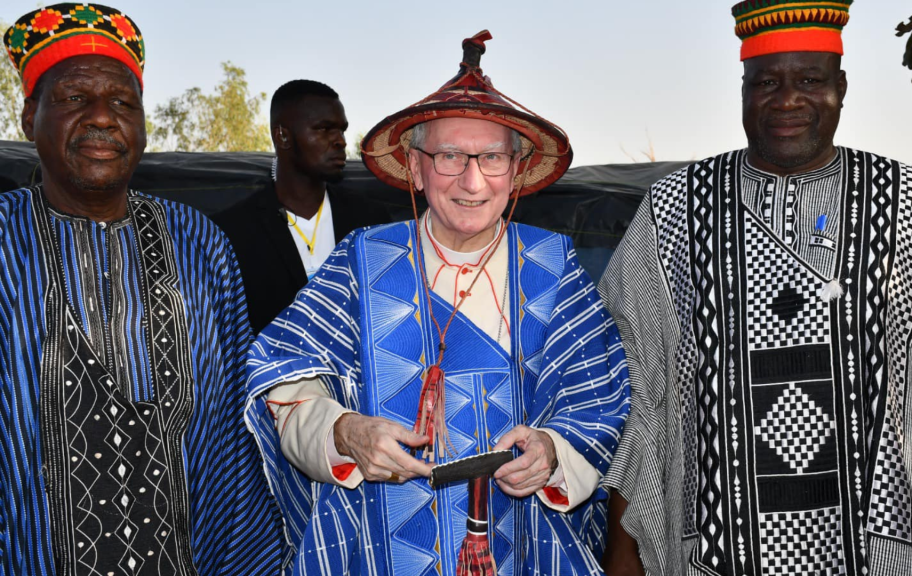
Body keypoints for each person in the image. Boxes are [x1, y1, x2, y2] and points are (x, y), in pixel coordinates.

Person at [599, 2, 912, 576]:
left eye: (809, 80)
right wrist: (624, 554)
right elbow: (631, 387)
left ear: (841, 86)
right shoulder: (674, 210)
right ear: (743, 89)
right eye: (766, 82)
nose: (788, 100)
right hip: (718, 555)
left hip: (882, 560)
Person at [243, 31, 630, 575]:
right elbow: (282, 381)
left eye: (492, 157)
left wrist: (552, 449)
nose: (472, 180)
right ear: (416, 167)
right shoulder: (362, 260)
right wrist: (345, 432)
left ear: (516, 170)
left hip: (523, 551)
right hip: (372, 551)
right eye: (449, 155)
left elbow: (601, 399)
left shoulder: (553, 266)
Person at [1, 5, 281, 575]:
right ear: (30, 116)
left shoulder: (200, 241)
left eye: (124, 103)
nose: (103, 117)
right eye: (75, 98)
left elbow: (236, 425)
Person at [213, 80, 390, 333]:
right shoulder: (231, 233)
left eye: (341, 130)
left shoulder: (371, 222)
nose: (340, 141)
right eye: (324, 129)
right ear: (282, 136)